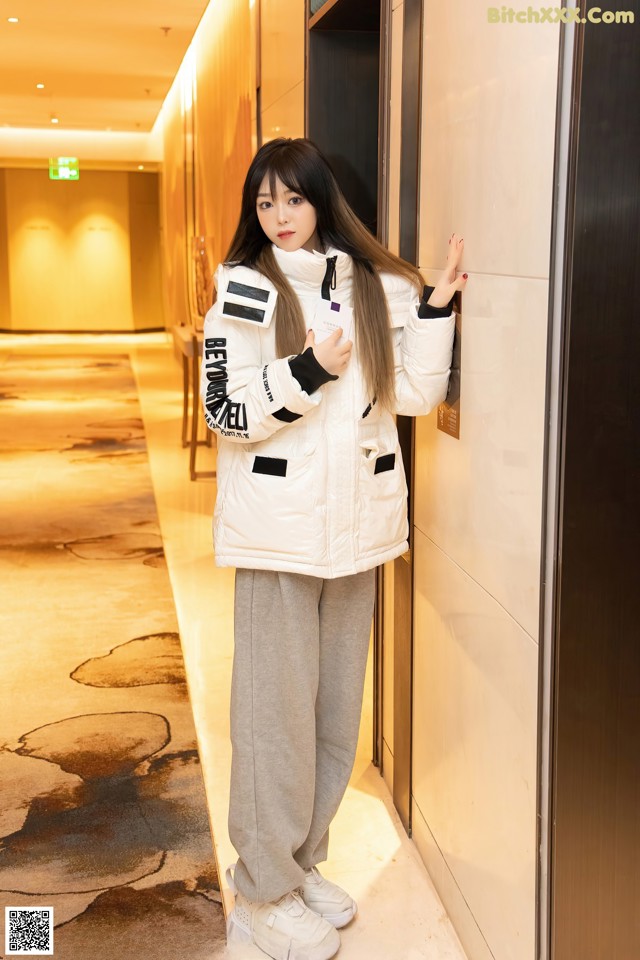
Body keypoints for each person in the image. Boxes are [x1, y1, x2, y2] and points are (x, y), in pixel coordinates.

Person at [200, 137, 467, 960]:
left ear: (325, 201)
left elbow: (416, 396)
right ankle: (261, 893)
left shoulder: (374, 287)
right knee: (272, 723)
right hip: (279, 542)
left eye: (293, 200)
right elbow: (226, 412)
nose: (278, 219)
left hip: (358, 539)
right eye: (264, 204)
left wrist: (434, 311)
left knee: (330, 722)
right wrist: (308, 371)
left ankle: (300, 860)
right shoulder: (243, 292)